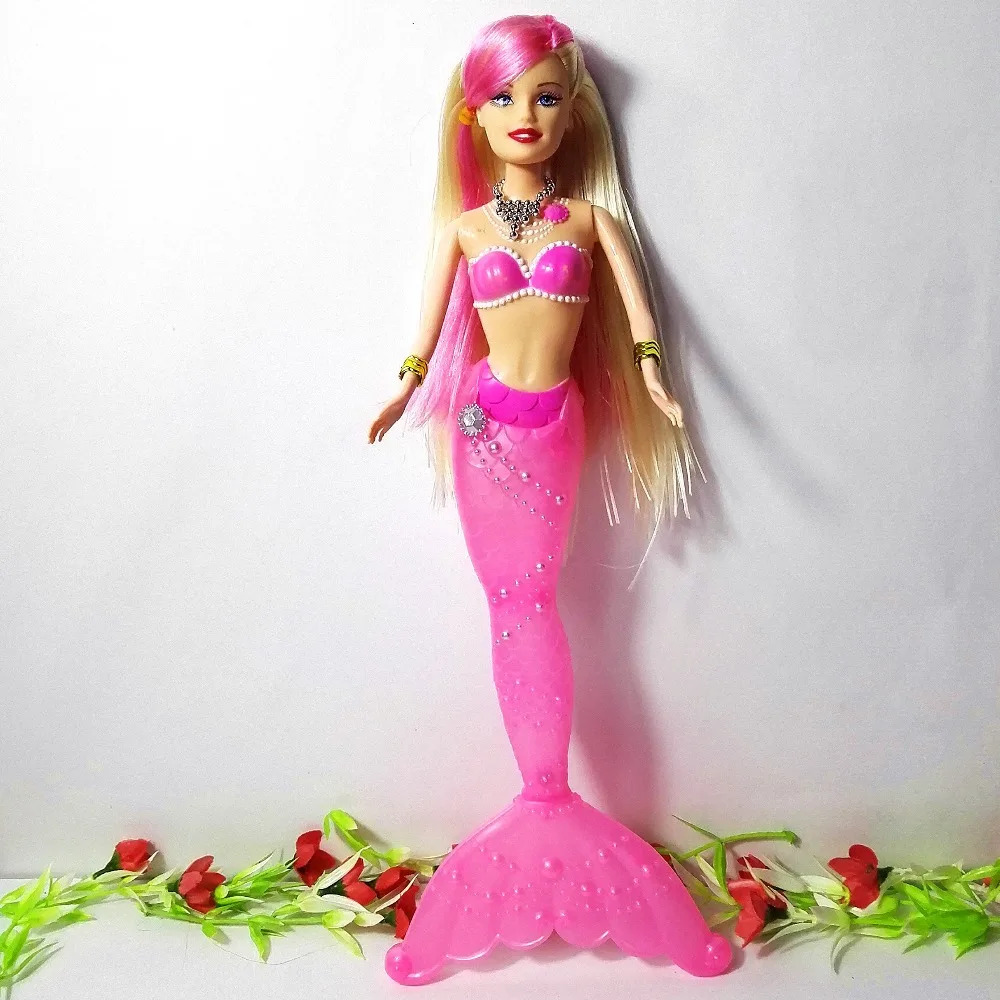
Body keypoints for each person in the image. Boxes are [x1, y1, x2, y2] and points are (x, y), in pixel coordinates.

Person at [367, 13, 730, 986]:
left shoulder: (590, 222)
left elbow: (641, 323)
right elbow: (426, 334)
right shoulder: (466, 230)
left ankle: (551, 798)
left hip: (552, 427)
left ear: (572, 114)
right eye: (502, 96)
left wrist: (654, 378)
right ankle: (539, 796)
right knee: (511, 601)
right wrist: (404, 389)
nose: (523, 114)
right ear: (472, 115)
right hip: (482, 427)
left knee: (539, 596)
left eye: (545, 96)